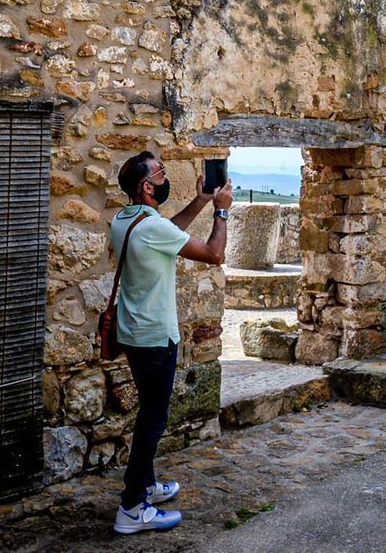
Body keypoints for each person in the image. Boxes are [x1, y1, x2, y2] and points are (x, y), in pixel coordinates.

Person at [109, 152, 233, 534]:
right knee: (153, 419)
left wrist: (200, 200)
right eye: (161, 174)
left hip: (134, 332)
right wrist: (222, 212)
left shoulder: (125, 220)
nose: (165, 179)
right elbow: (213, 254)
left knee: (148, 411)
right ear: (148, 187)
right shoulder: (151, 227)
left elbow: (169, 233)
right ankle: (132, 507)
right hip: (156, 338)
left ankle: (145, 485)